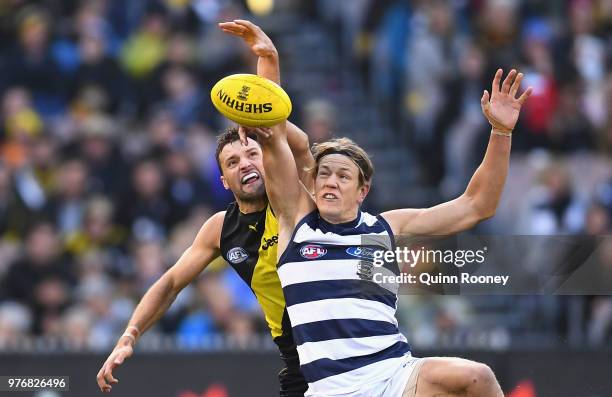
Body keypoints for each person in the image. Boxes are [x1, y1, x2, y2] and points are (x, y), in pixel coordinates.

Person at [249, 69, 532, 396]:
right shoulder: (296, 224)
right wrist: (268, 59)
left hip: (393, 375)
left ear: (362, 191)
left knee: (477, 376)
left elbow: (477, 205)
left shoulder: (384, 227)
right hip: (330, 389)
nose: (330, 181)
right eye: (324, 174)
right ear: (312, 184)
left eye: (343, 176)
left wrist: (500, 131)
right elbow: (272, 138)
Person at [96, 20, 312, 396]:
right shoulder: (219, 228)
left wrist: (268, 59)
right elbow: (170, 283)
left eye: (252, 155)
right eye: (232, 163)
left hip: (337, 339)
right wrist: (129, 335)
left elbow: (272, 126)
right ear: (224, 182)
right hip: (295, 357)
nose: (246, 163)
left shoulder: (291, 199)